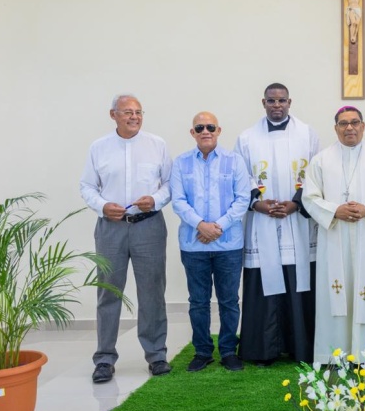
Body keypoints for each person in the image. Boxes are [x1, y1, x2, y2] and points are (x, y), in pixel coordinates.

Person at [80, 94, 172, 383]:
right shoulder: (99, 147)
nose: (134, 117)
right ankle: (104, 358)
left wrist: (155, 200)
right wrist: (102, 205)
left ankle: (156, 355)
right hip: (111, 227)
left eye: (138, 112)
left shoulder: (157, 144)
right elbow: (87, 186)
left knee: (152, 292)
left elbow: (170, 184)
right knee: (108, 292)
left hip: (149, 226)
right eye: (128, 112)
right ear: (113, 115)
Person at [302, 106, 365, 363]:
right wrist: (335, 210)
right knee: (336, 293)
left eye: (354, 122)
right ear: (335, 128)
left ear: (363, 126)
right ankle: (334, 355)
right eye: (343, 123)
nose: (349, 128)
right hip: (334, 236)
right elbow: (309, 197)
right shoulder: (321, 160)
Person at [235, 83, 320, 365]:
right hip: (262, 220)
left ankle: (300, 346)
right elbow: (240, 176)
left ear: (289, 102)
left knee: (298, 281)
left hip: (297, 220)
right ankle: (263, 349)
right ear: (263, 103)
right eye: (271, 101)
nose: (277, 105)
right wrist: (257, 204)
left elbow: (316, 174)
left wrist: (296, 203)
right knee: (264, 280)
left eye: (281, 100)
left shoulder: (307, 134)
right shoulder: (246, 138)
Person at [171, 112, 249, 372]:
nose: (205, 131)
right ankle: (202, 351)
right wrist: (200, 225)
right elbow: (178, 201)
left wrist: (218, 227)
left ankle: (228, 351)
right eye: (200, 127)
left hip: (228, 245)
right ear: (192, 132)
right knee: (198, 302)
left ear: (219, 130)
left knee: (229, 301)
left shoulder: (234, 161)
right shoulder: (181, 163)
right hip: (194, 245)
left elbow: (243, 199)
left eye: (210, 127)